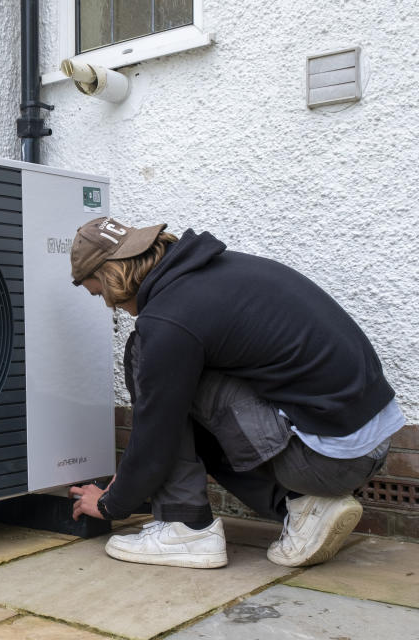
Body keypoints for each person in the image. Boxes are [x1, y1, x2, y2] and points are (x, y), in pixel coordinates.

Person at [66, 217, 403, 569]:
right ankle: (302, 507)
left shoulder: (170, 319)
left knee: (145, 355)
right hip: (362, 446)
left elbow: (157, 430)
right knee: (174, 388)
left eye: (99, 293)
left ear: (112, 276)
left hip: (327, 461)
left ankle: (186, 529)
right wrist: (135, 477)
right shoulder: (215, 274)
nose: (111, 306)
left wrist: (112, 504)